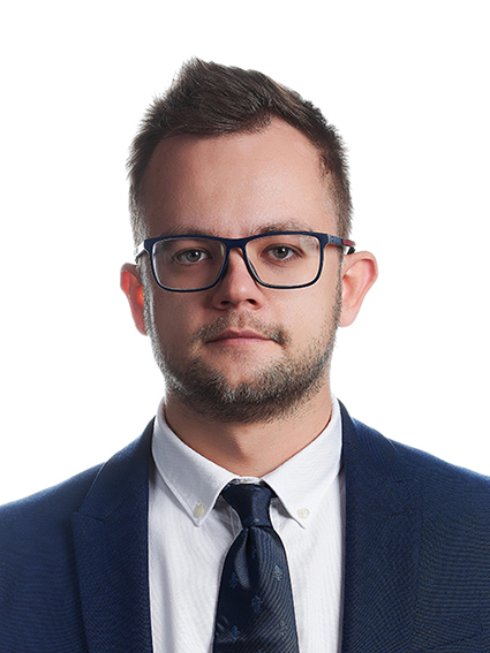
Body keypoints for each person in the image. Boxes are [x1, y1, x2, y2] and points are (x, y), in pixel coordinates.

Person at [1, 59, 489, 653]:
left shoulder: (479, 538)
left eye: (281, 250)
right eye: (191, 253)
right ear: (140, 296)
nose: (237, 288)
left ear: (349, 286)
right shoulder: (12, 562)